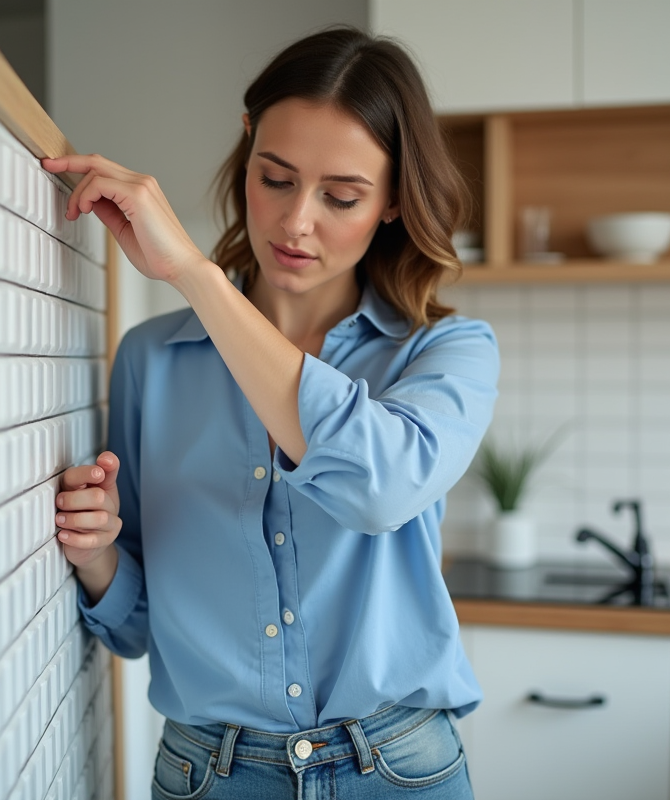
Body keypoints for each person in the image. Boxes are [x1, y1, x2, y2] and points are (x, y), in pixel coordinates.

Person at [42, 26, 499, 800]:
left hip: (396, 771)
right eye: (276, 178)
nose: (295, 223)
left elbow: (378, 488)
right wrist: (97, 557)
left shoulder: (446, 355)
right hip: (210, 775)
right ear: (246, 147)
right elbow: (137, 625)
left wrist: (195, 275)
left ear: (391, 203)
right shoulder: (152, 359)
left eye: (342, 196)